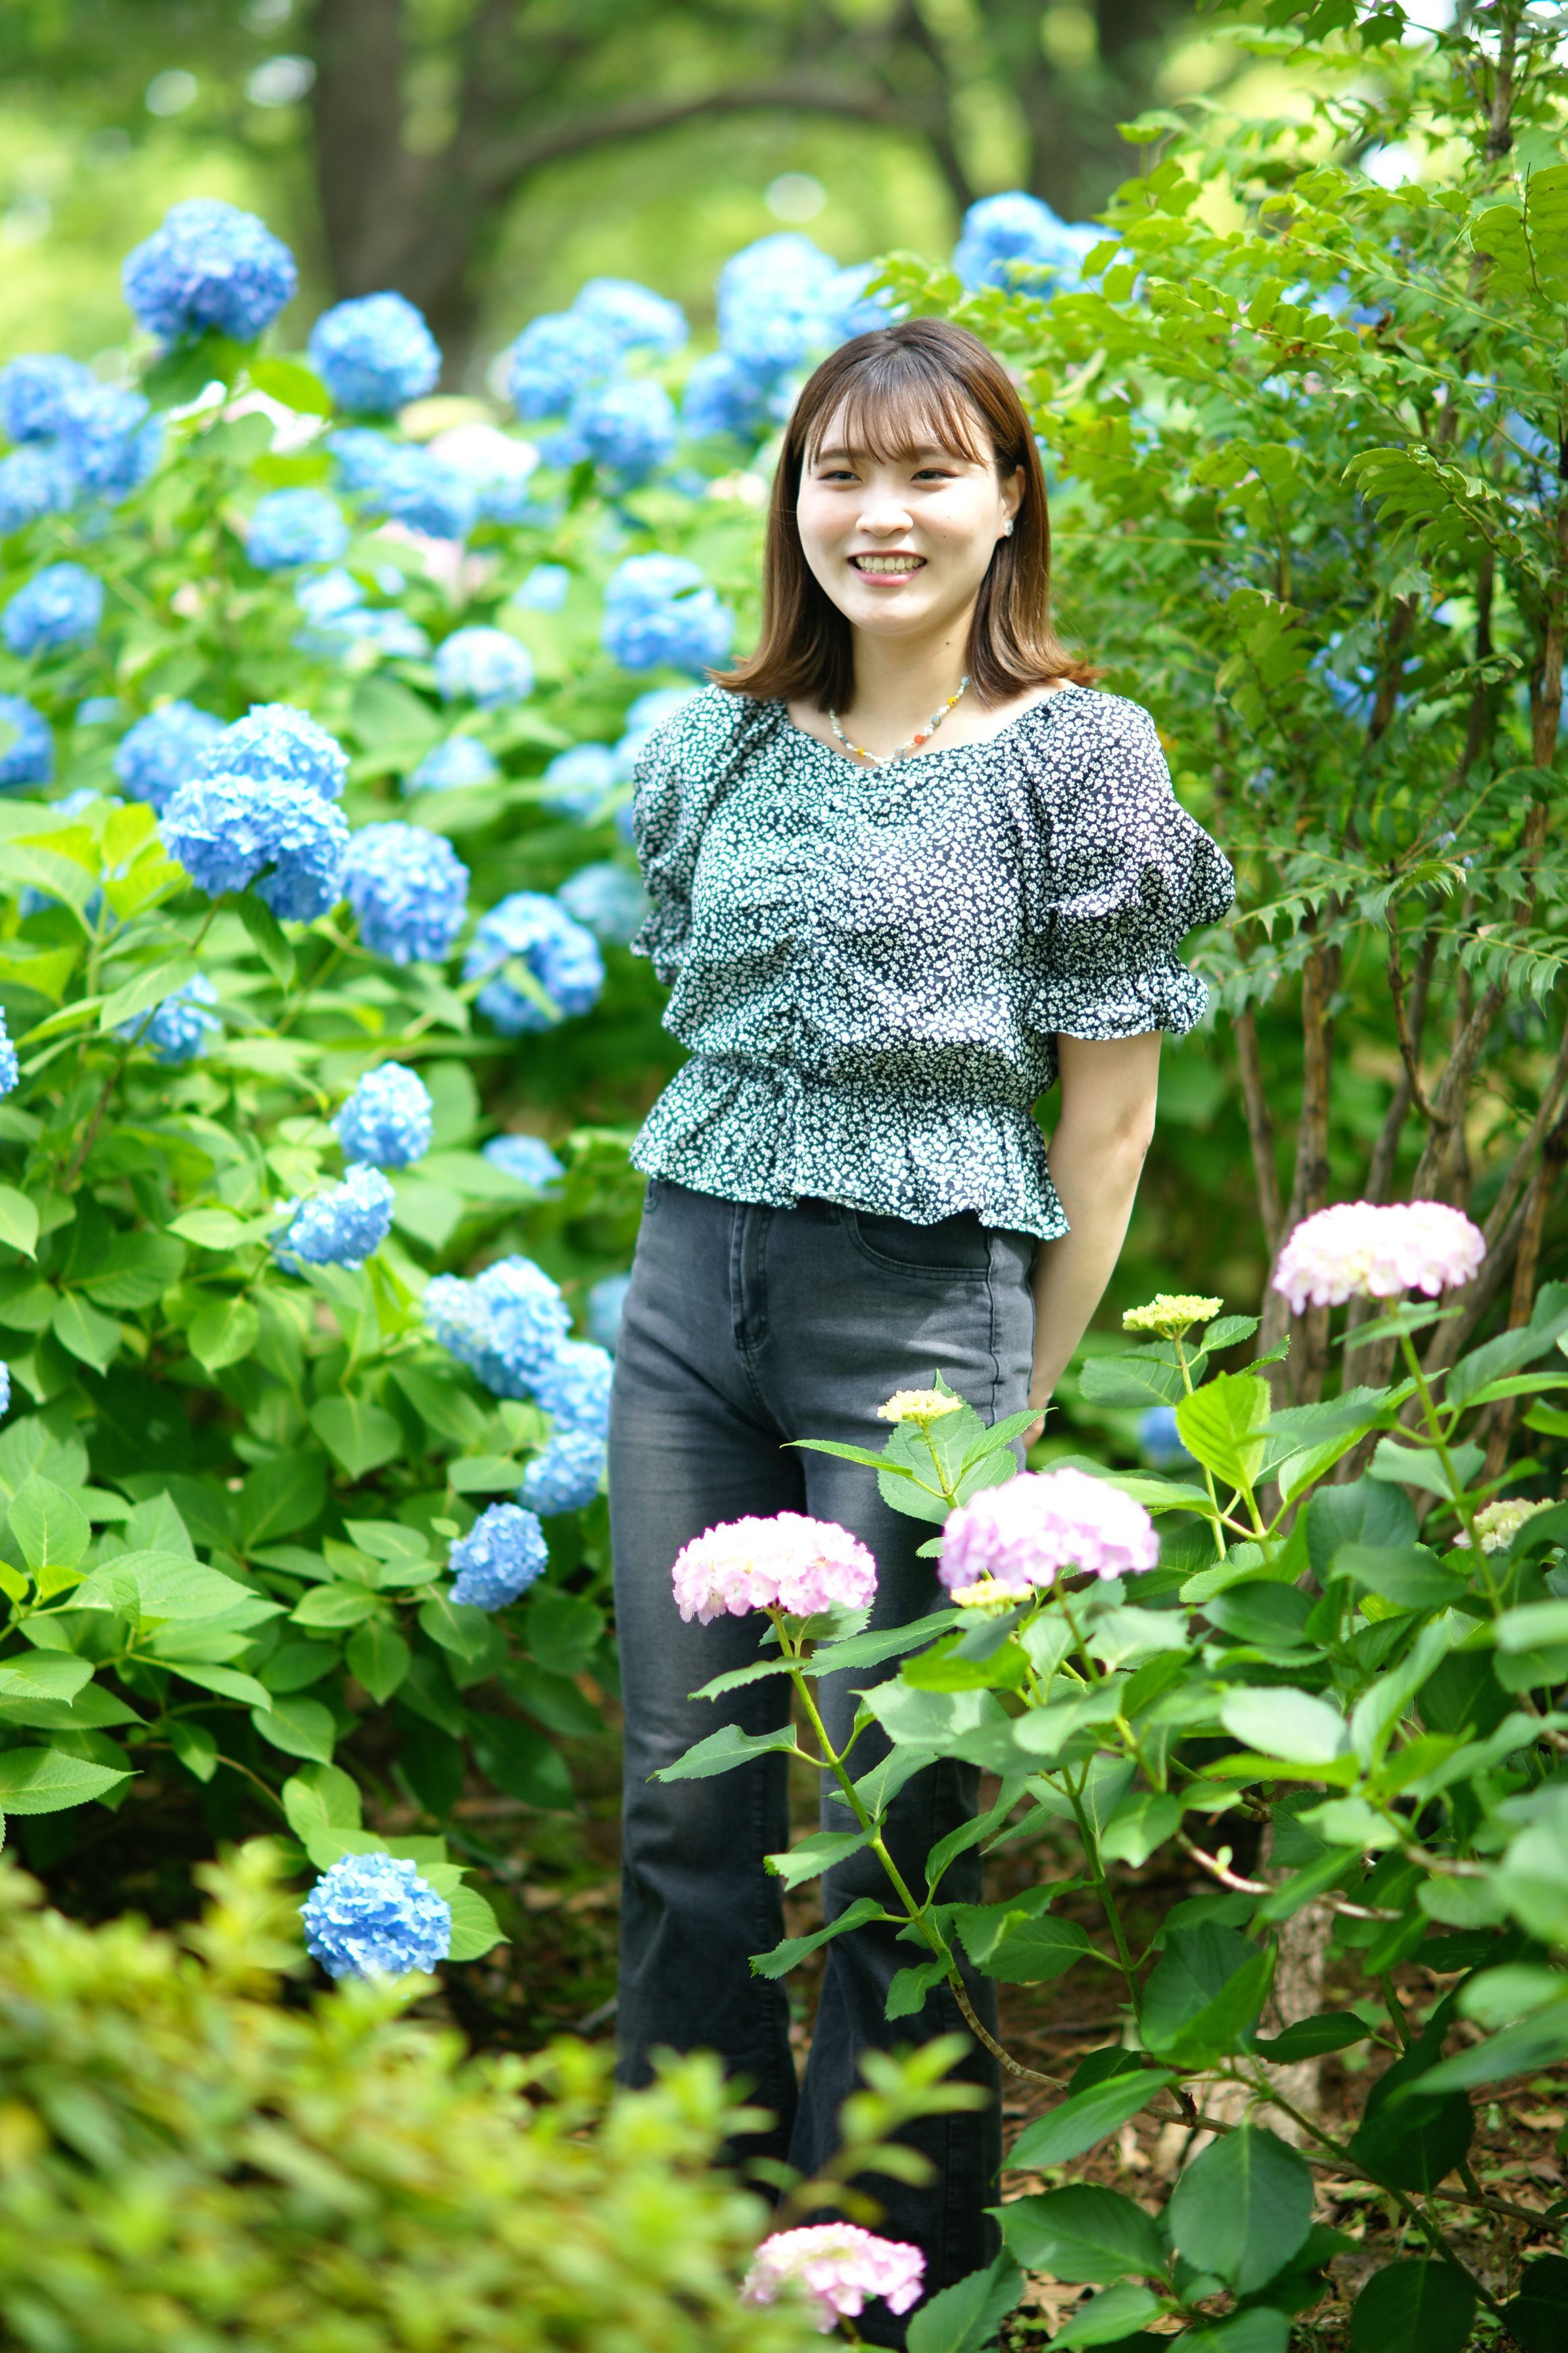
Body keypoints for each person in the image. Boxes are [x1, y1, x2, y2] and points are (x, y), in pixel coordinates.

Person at [608, 316, 1233, 2338]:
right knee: (684, 1804)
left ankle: (891, 2299)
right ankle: (677, 2263)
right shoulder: (706, 748)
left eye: (928, 472)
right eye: (841, 474)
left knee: (895, 1812)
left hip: (922, 1313)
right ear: (793, 503)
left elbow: (1107, 1122)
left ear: (1007, 498)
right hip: (690, 1290)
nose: (879, 515)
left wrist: (1010, 1400)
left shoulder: (1079, 759)